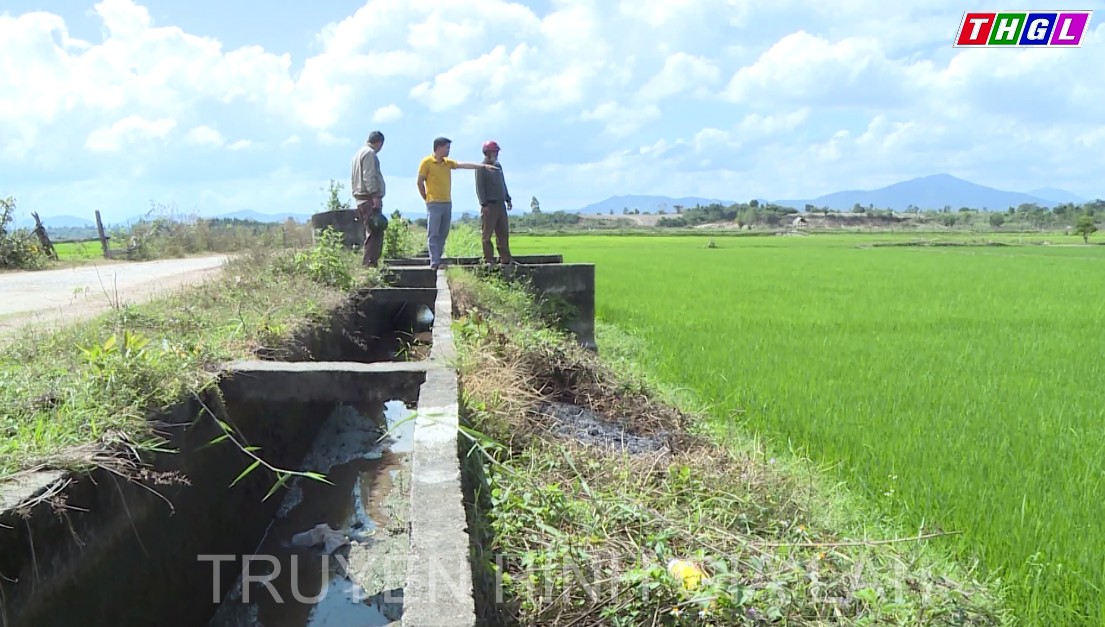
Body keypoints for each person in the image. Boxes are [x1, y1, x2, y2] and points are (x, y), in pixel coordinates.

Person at [416, 136, 498, 270]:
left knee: (443, 232)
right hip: (433, 202)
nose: (448, 151)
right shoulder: (426, 162)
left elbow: (463, 165)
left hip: (447, 202)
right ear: (438, 148)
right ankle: (434, 262)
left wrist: (482, 166)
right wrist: (426, 197)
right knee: (433, 233)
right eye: (447, 148)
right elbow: (420, 181)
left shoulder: (447, 163)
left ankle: (438, 258)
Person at [475, 140, 514, 268]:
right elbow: (479, 186)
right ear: (487, 152)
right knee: (487, 234)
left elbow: (503, 183)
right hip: (489, 205)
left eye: (497, 152)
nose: (496, 154)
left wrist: (507, 198)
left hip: (500, 204)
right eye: (494, 152)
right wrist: (483, 204)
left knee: (503, 233)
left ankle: (505, 259)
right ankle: (489, 259)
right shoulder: (481, 167)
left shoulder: (498, 166)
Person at [351, 130, 386, 267]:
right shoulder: (370, 154)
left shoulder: (358, 154)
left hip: (360, 198)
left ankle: (369, 262)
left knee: (369, 231)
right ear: (379, 143)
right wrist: (375, 195)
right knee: (375, 232)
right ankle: (370, 263)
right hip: (368, 198)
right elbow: (369, 176)